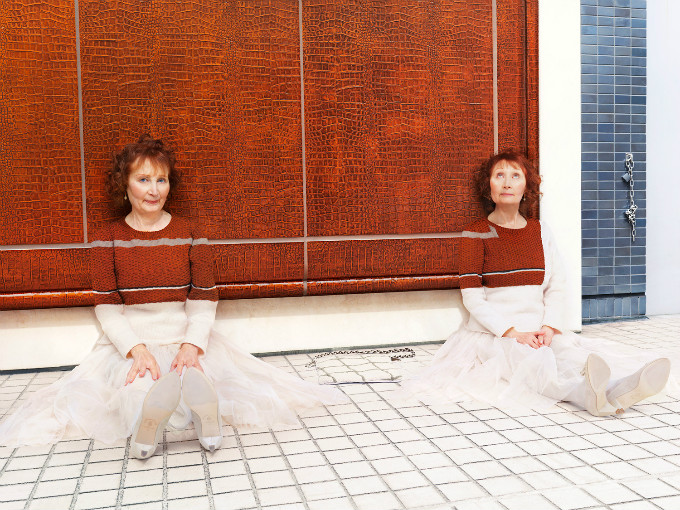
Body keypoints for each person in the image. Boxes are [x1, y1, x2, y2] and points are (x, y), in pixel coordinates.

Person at [0, 135, 345, 457]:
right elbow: (107, 306)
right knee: (138, 387)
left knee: (196, 379)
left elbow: (203, 298)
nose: (154, 190)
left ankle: (207, 420)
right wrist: (137, 351)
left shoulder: (190, 233)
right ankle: (145, 430)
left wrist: (191, 346)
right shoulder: (108, 239)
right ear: (125, 185)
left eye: (161, 180)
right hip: (135, 343)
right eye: (143, 179)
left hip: (183, 339)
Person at [402, 150, 672, 416]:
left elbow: (556, 285)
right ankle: (589, 395)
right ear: (488, 187)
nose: (507, 183)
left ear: (526, 187)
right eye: (499, 175)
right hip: (496, 335)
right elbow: (472, 298)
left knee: (569, 355)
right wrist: (512, 333)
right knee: (532, 365)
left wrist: (549, 327)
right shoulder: (475, 233)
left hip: (539, 330)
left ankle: (619, 388)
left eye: (515, 176)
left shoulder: (540, 231)